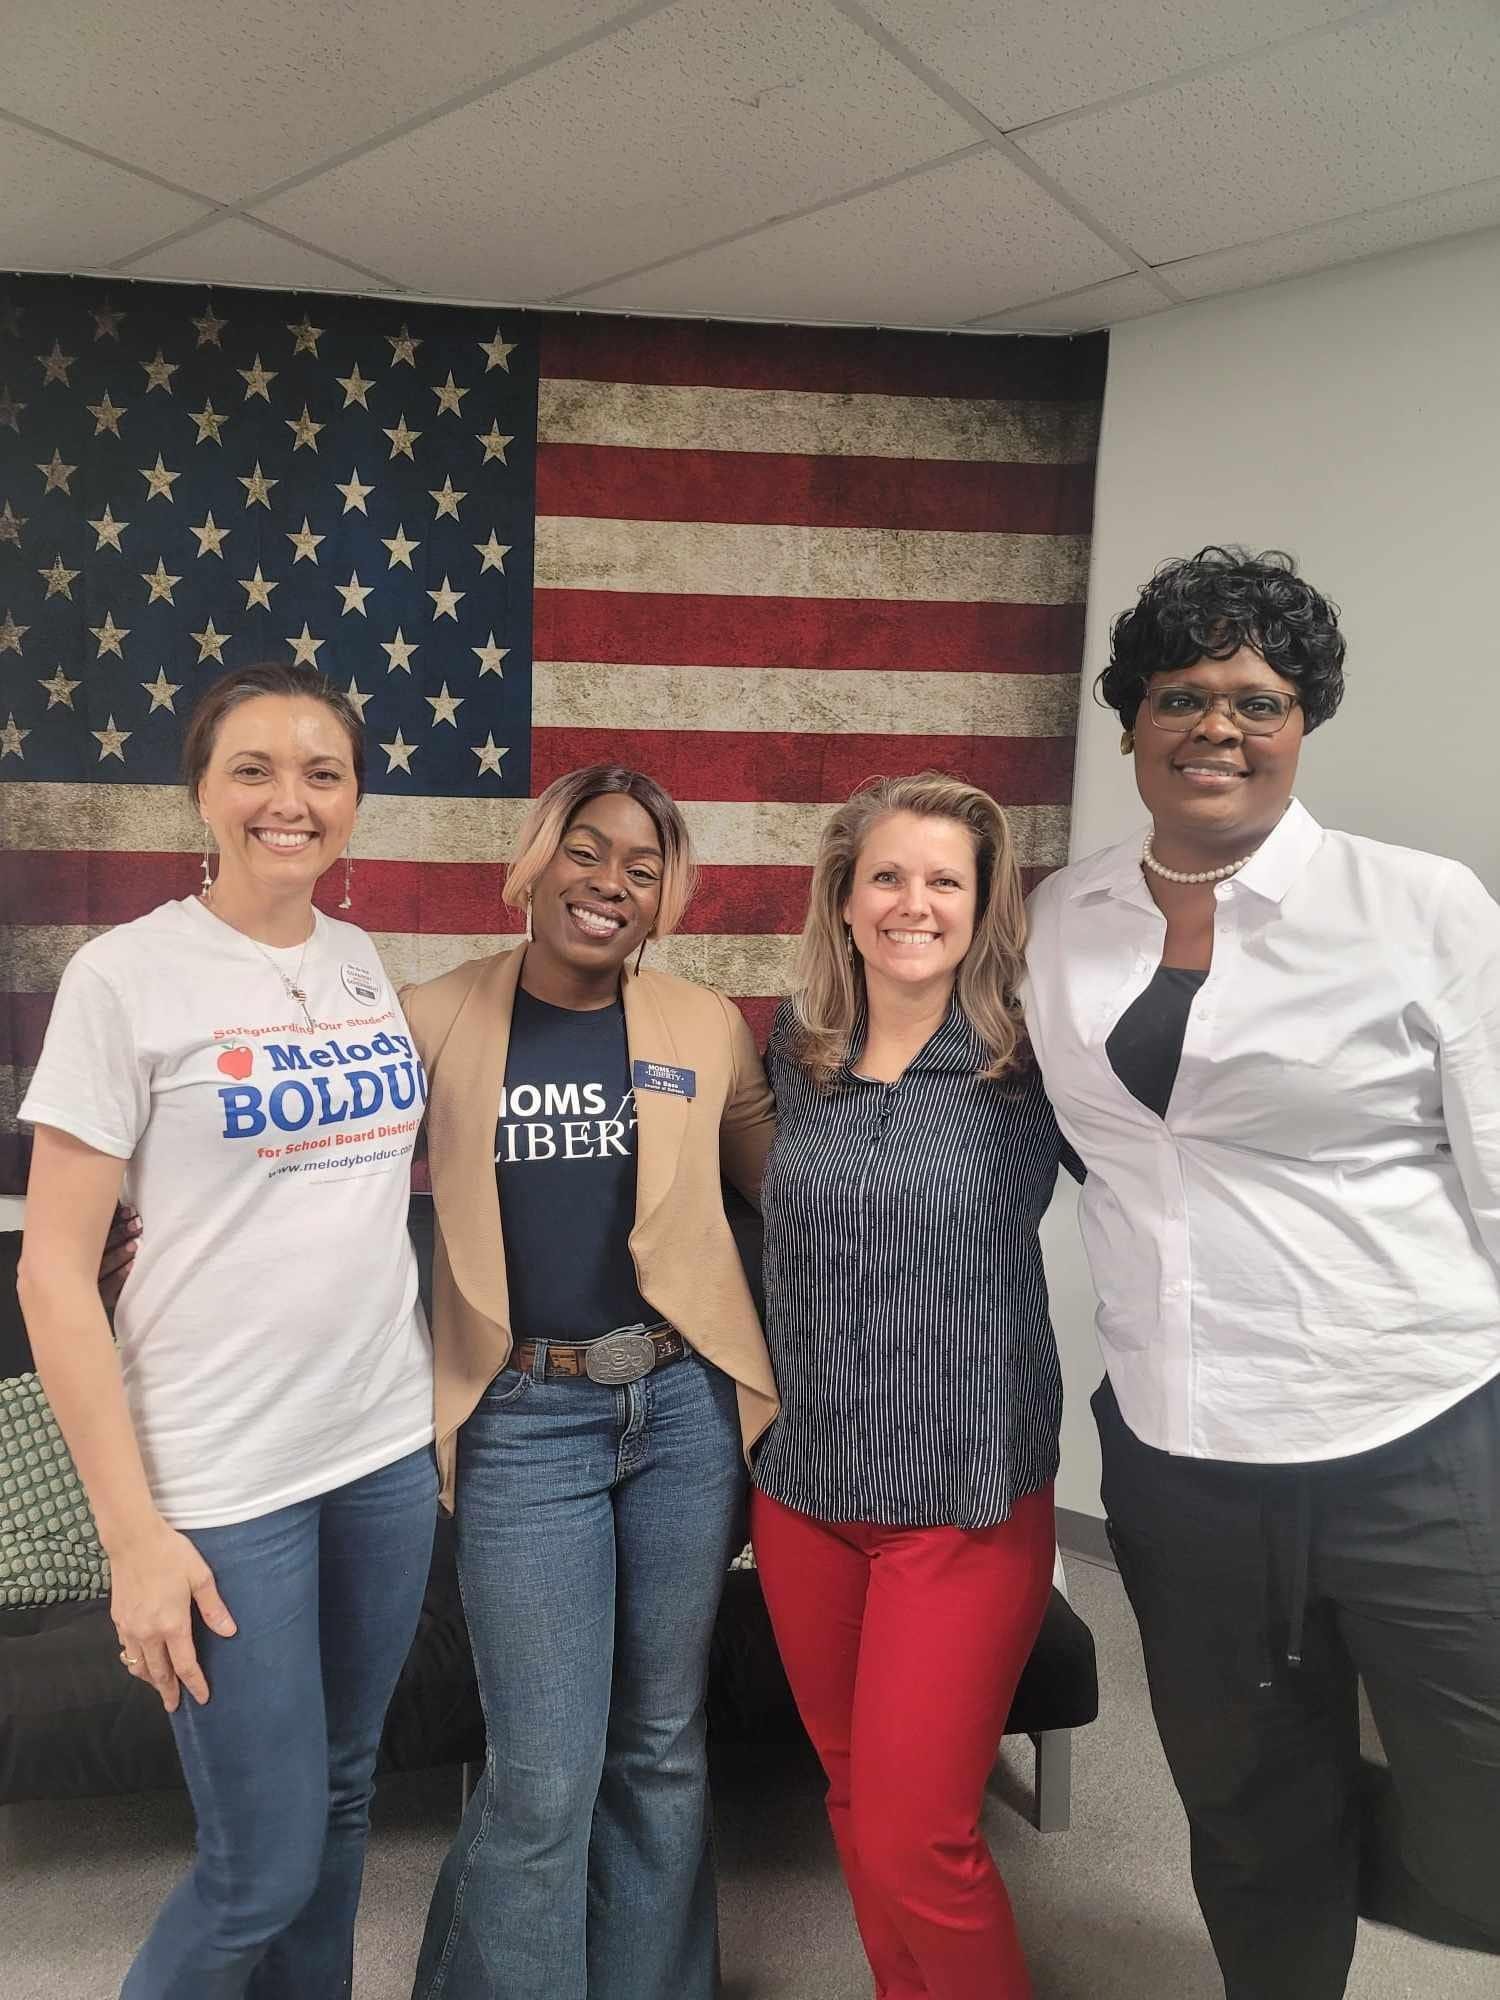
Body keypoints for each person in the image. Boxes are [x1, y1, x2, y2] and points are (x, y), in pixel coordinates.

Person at [1023, 547, 1500, 1999]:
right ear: (1132, 721)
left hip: (1414, 1440)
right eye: (1180, 694)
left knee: (1481, 1810)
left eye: (1259, 699)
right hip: (1183, 1459)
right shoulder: (1061, 918)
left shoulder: (1421, 906)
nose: (1217, 726)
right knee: (1245, 1812)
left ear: (1305, 721)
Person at [17, 662, 437, 2000]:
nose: (288, 798)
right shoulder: (125, 977)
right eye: (253, 768)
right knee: (258, 1863)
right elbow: (53, 1275)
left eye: (322, 772)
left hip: (378, 1455)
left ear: (354, 799)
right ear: (200, 792)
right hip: (220, 1481)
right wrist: (133, 1538)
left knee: (344, 1796)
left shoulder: (359, 961)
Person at [405, 765, 780, 2000]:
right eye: (586, 849)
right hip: (523, 1419)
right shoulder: (432, 1016)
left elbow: (793, 1187)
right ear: (534, 859)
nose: (609, 882)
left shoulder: (702, 1025)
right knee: (543, 1769)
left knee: (662, 1743)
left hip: (681, 1409)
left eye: (641, 867)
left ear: (665, 898)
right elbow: (317, 1163)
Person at [749, 773, 1066, 2000]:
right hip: (809, 1492)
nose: (913, 902)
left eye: (945, 879)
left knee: (918, 1834)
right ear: (844, 897)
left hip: (963, 1498)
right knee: (852, 1795)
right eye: (887, 875)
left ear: (983, 906)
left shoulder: (1035, 1059)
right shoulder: (798, 1047)